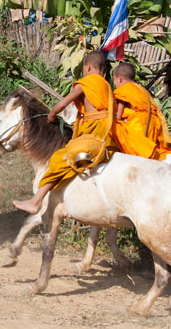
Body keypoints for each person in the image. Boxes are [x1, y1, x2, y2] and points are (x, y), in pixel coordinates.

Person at [13, 51, 115, 214]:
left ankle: (36, 200)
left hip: (94, 132)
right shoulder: (107, 87)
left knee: (60, 159)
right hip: (109, 134)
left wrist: (52, 115)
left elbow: (63, 104)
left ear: (87, 67)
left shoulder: (87, 82)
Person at [111, 62, 171, 162]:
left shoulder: (124, 90)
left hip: (138, 125)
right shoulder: (142, 90)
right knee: (149, 157)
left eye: (114, 80)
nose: (115, 84)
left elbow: (118, 115)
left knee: (137, 157)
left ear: (119, 78)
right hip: (153, 125)